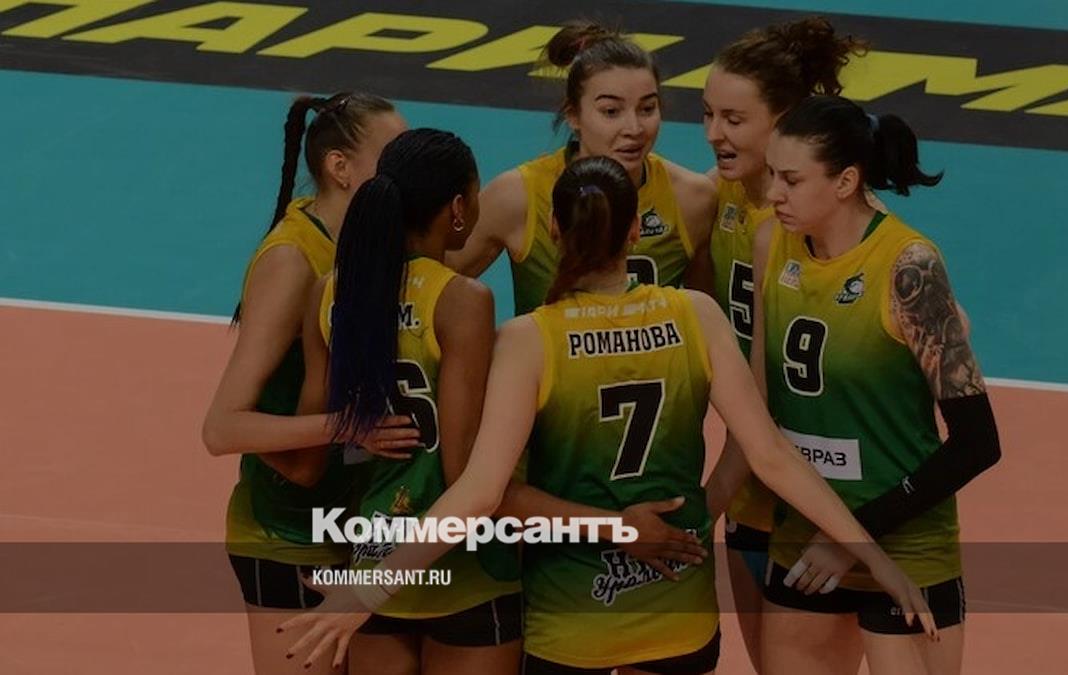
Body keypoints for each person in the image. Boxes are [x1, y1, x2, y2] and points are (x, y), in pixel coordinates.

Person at [278, 156, 936, 673]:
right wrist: (874, 557)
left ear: (555, 232)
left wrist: (365, 590)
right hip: (677, 608)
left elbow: (480, 493)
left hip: (570, 620)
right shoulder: (696, 315)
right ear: (633, 231)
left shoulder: (529, 339)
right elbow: (771, 456)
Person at [753, 96, 1001, 675]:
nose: (773, 193)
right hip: (804, 537)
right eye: (771, 175)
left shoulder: (909, 267)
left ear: (845, 181)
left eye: (791, 179)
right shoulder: (772, 244)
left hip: (905, 541)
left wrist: (854, 537)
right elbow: (763, 407)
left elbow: (977, 443)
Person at [296, 128, 522, 674]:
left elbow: (312, 439)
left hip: (372, 554)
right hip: (462, 568)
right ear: (458, 209)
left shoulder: (330, 291)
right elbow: (461, 468)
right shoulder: (462, 298)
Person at [201, 92, 412, 675]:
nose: (408, 167)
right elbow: (222, 428)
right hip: (287, 532)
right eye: (394, 155)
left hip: (357, 524)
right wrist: (349, 428)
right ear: (340, 168)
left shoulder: (370, 242)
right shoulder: (292, 261)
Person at [700, 18, 866, 671]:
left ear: (787, 122)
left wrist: (704, 505)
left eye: (735, 119)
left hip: (821, 492)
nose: (715, 133)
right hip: (754, 489)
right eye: (708, 114)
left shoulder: (822, 222)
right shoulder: (721, 197)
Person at [447, 21, 716, 313]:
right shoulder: (519, 197)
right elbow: (433, 288)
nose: (634, 128)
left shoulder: (691, 200)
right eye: (611, 111)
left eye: (647, 108)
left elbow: (706, 318)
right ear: (573, 115)